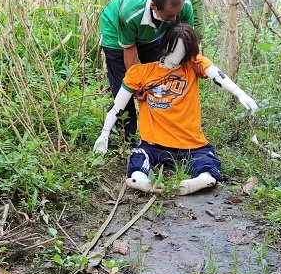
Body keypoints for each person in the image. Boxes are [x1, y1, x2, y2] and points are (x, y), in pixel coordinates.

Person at [93, 23, 257, 194]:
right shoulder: (141, 72)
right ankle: (140, 178)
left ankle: (203, 178)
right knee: (140, 155)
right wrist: (104, 133)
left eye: (183, 50)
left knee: (206, 159)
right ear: (164, 46)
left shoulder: (192, 66)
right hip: (154, 143)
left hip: (191, 144)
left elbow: (216, 74)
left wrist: (239, 93)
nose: (177, 55)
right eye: (174, 49)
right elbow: (117, 107)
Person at [99, 0, 194, 141]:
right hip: (116, 34)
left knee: (162, 77)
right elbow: (130, 51)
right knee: (124, 82)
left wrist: (193, 64)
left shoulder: (183, 6)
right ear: (153, 7)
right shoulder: (130, 13)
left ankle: (162, 130)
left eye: (177, 13)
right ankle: (125, 135)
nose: (175, 18)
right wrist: (136, 86)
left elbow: (187, 40)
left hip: (151, 34)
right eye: (170, 16)